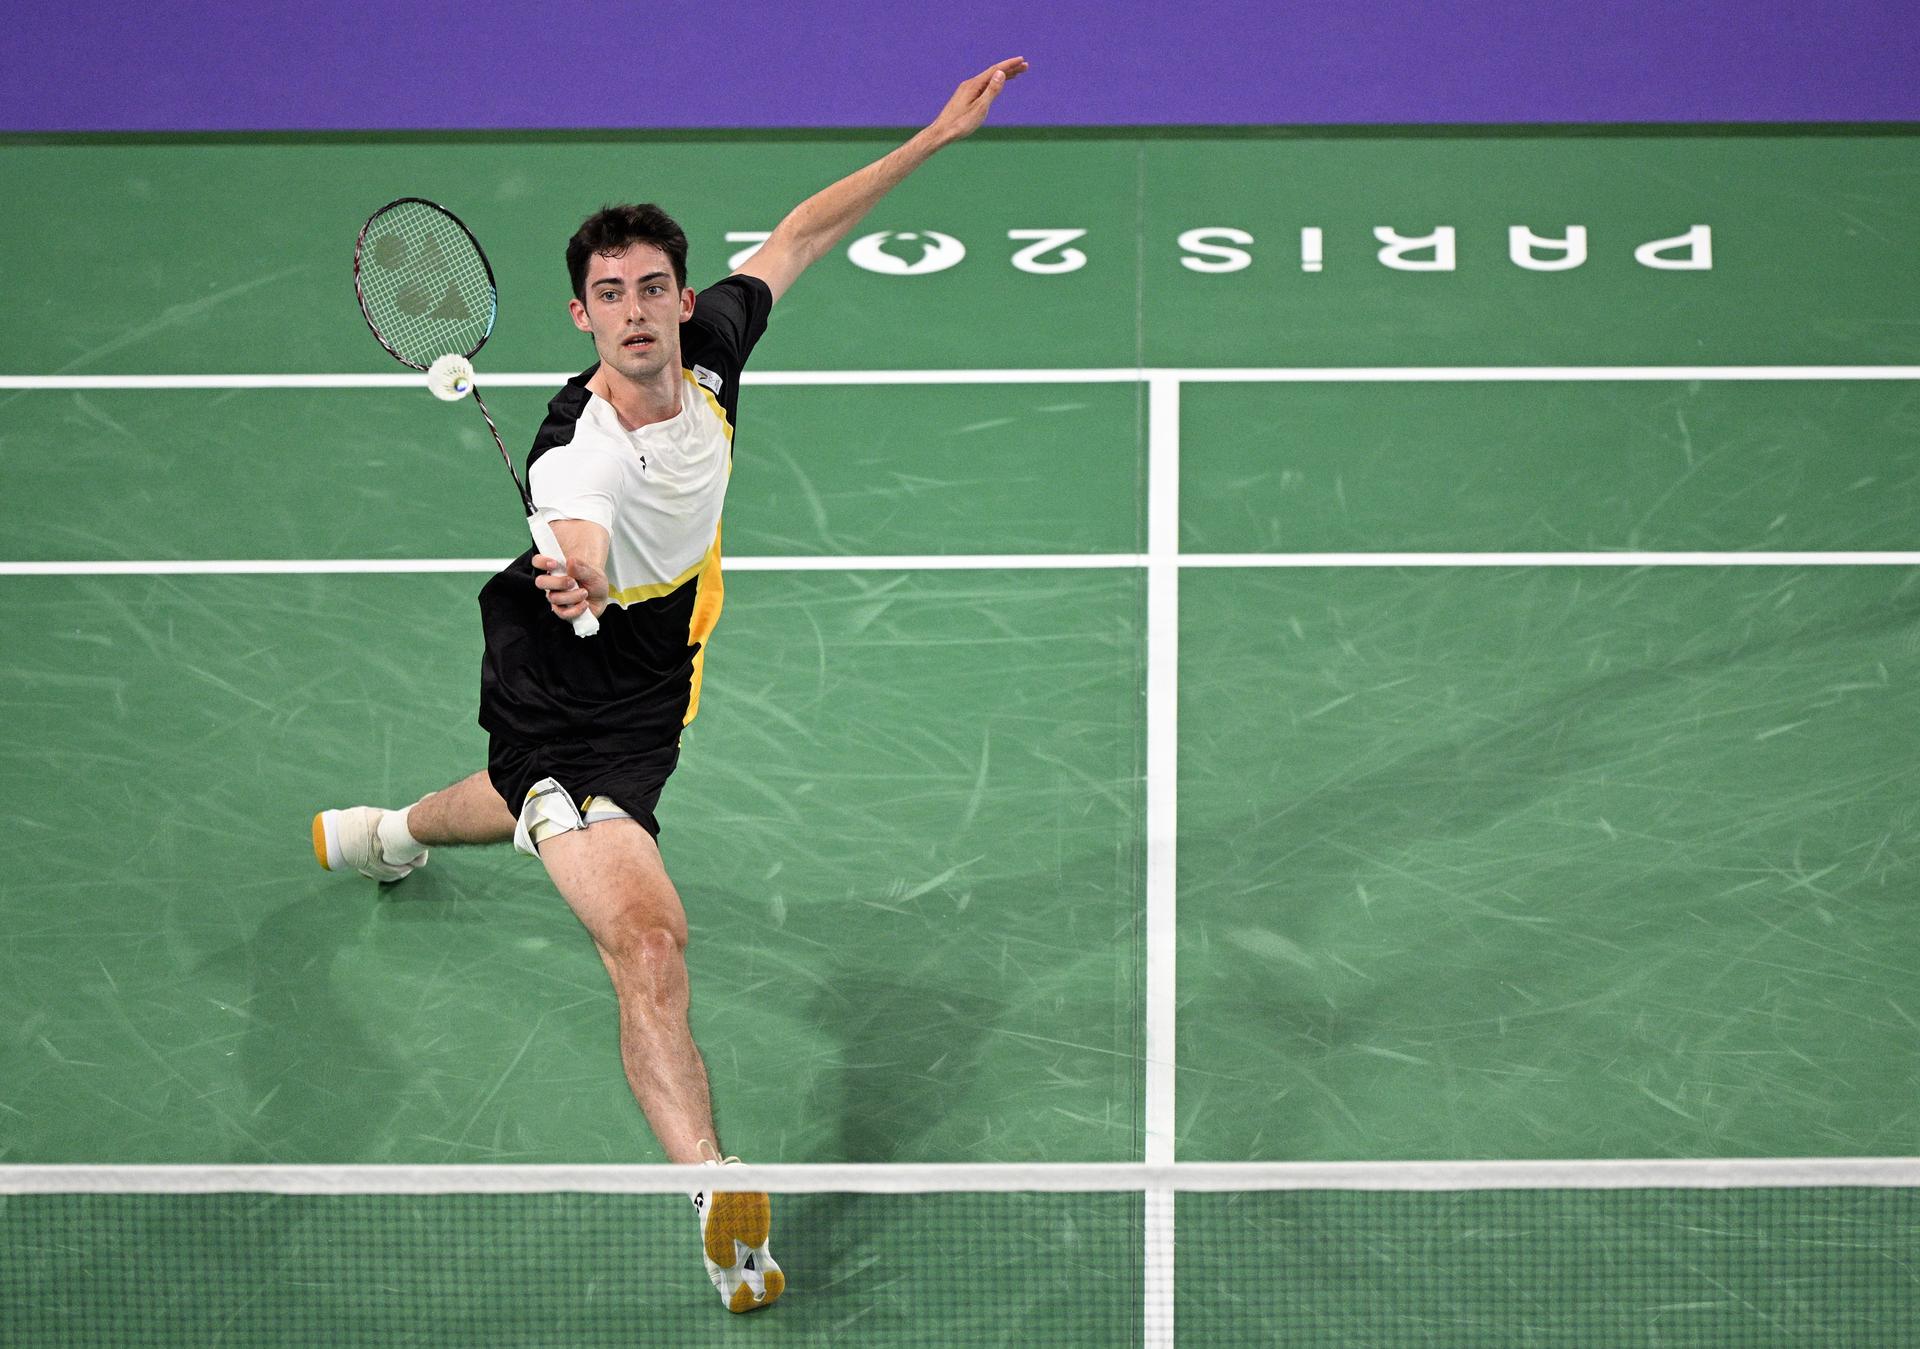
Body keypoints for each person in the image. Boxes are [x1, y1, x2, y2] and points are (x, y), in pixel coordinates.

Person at [310, 58, 1028, 1314]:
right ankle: (715, 1190)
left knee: (522, 808)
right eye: (609, 295)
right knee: (648, 939)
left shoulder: (712, 349)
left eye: (653, 287)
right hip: (568, 687)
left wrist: (935, 135)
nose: (636, 311)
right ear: (580, 315)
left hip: (661, 666)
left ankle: (381, 834)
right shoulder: (567, 452)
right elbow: (574, 539)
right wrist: (577, 578)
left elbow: (804, 231)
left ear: (682, 298)